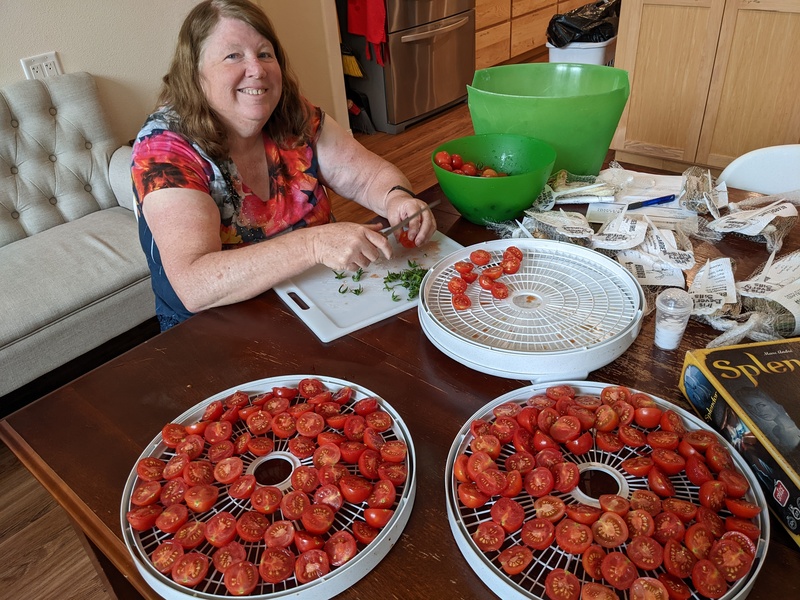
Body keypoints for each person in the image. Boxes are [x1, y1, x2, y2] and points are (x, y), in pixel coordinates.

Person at [131, 0, 436, 331]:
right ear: (194, 73)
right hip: (214, 329)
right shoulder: (164, 149)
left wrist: (397, 198)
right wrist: (314, 244)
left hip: (320, 299)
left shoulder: (292, 115)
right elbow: (195, 285)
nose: (257, 69)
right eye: (233, 56)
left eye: (265, 54)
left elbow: (369, 177)